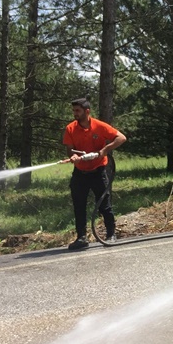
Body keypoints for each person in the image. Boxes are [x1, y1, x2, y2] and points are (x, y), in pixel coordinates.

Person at [62, 98, 126, 250]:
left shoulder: (99, 126)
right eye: (74, 111)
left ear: (87, 111)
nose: (75, 114)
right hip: (80, 174)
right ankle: (81, 238)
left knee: (104, 205)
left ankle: (111, 234)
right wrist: (74, 157)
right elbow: (70, 150)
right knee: (79, 206)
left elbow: (121, 138)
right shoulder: (70, 128)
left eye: (78, 111)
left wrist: (104, 150)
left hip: (98, 172)